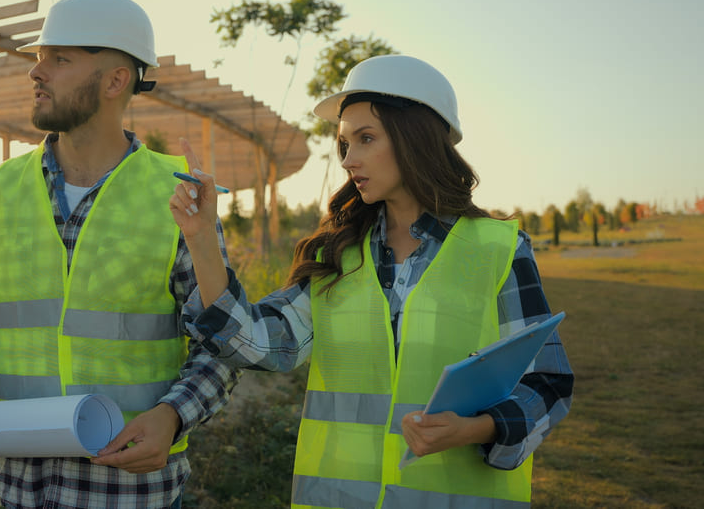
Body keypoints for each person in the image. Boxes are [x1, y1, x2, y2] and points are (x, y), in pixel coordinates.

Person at [169, 54, 574, 508]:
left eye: (365, 139)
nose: (348, 160)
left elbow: (547, 383)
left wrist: (477, 428)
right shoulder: (335, 257)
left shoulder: (499, 249)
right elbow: (256, 344)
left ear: (416, 141)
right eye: (344, 144)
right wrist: (203, 237)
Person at [0, 0, 238, 509]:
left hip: (132, 492)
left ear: (115, 80)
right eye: (38, 58)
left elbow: (222, 340)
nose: (37, 72)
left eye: (59, 59)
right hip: (21, 490)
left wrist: (172, 417)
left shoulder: (177, 197)